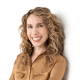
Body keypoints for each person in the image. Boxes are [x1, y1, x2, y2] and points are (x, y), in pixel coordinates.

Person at [9, 7, 67, 80]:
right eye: (30, 27)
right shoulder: (20, 58)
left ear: (50, 29)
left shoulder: (58, 61)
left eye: (40, 25)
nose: (34, 32)